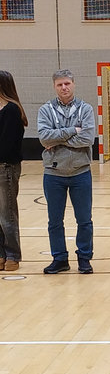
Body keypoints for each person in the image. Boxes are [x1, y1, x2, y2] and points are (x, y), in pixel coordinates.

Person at [37, 69, 95, 274]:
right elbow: (44, 138)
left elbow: (87, 139)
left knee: (84, 220)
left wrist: (57, 139)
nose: (64, 87)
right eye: (60, 84)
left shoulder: (85, 109)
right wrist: (72, 131)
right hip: (53, 174)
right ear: (54, 86)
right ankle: (60, 258)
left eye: (67, 83)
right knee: (54, 221)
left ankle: (84, 258)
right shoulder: (46, 110)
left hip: (81, 172)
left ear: (74, 84)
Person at [0, 71, 28, 272]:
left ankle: (12, 255)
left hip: (6, 166)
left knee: (7, 214)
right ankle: (1, 254)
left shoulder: (11, 110)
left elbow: (8, 144)